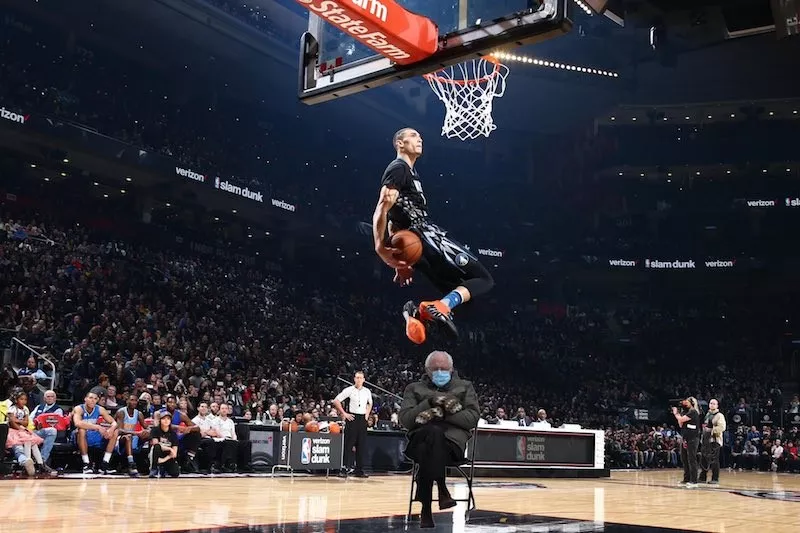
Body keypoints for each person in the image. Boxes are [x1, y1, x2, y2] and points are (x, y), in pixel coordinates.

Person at [373, 128, 495, 344]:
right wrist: (380, 247)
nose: (419, 138)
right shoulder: (398, 168)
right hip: (428, 236)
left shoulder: (409, 173)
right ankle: (440, 307)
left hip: (416, 247)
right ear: (400, 144)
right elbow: (383, 206)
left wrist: (400, 262)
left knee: (467, 303)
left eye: (420, 136)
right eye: (413, 136)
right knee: (484, 279)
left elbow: (393, 219)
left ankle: (416, 314)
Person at [399, 351, 480, 529]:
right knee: (432, 434)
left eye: (444, 369)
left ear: (451, 369)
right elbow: (405, 420)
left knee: (432, 435)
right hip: (419, 441)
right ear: (427, 370)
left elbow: (471, 419)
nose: (440, 372)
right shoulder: (413, 388)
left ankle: (426, 509)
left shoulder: (465, 387)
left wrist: (439, 414)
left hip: (451, 446)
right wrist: (429, 402)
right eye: (435, 369)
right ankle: (441, 489)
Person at [332, 371, 373, 478]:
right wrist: (344, 413)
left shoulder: (367, 391)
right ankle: (345, 468)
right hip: (352, 418)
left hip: (362, 418)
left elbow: (370, 403)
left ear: (364, 380)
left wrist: (367, 415)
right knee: (349, 444)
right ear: (354, 379)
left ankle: (359, 470)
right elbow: (336, 400)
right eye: (357, 377)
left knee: (361, 445)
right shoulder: (349, 390)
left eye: (360, 378)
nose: (359, 380)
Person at [72, 389, 119, 474]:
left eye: (95, 398)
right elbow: (77, 423)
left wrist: (111, 429)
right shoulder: (79, 408)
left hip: (93, 435)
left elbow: (114, 422)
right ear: (85, 399)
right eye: (90, 398)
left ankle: (105, 464)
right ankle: (86, 464)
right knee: (82, 430)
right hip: (79, 436)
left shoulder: (100, 409)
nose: (92, 400)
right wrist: (97, 427)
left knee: (115, 431)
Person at [115, 393, 149, 477]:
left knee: (149, 436)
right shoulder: (121, 412)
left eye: (135, 400)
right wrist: (137, 433)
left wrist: (147, 432)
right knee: (128, 437)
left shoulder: (139, 413)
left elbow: (146, 427)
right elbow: (119, 430)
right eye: (132, 400)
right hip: (121, 440)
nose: (134, 402)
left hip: (133, 438)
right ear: (127, 401)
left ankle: (152, 464)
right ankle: (131, 463)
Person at [672, 396, 701, 488]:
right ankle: (686, 478)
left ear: (691, 403)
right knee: (684, 459)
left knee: (692, 459)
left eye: (687, 402)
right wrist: (679, 415)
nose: (684, 403)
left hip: (692, 438)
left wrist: (676, 413)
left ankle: (694, 481)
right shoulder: (686, 412)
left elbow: (680, 419)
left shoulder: (693, 412)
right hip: (685, 438)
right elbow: (680, 424)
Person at [699, 398, 726, 484]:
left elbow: (722, 427)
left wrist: (711, 430)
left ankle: (715, 478)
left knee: (714, 460)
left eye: (714, 404)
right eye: (711, 403)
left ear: (717, 405)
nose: (712, 405)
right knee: (703, 459)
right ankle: (702, 477)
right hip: (705, 440)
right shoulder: (707, 414)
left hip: (714, 440)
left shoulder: (719, 415)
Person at [149, 410, 180, 478]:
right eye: (164, 418)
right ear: (160, 420)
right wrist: (169, 448)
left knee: (175, 473)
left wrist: (164, 460)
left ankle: (163, 468)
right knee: (157, 447)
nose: (166, 420)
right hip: (156, 453)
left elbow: (174, 452)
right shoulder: (155, 430)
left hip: (167, 456)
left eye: (168, 419)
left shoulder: (173, 434)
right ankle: (154, 469)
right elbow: (156, 444)